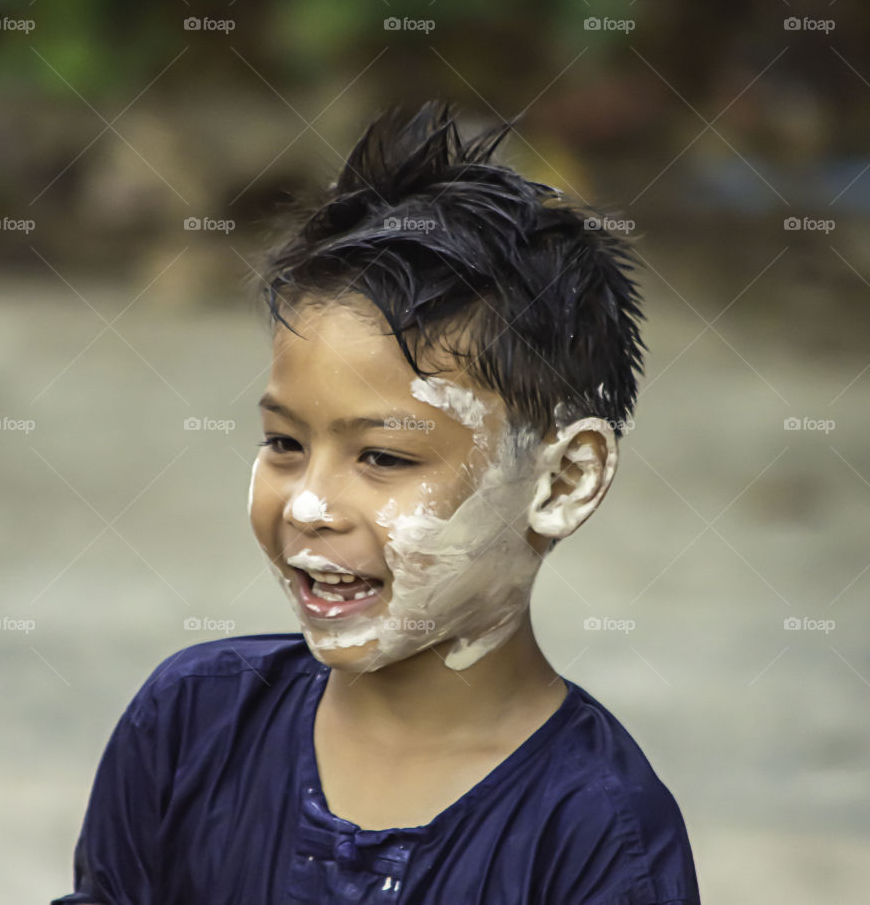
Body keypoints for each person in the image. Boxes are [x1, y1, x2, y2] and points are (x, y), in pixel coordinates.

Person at [52, 101, 701, 904]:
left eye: (384, 456)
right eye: (285, 443)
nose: (310, 506)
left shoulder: (596, 833)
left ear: (565, 481)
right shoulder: (191, 723)